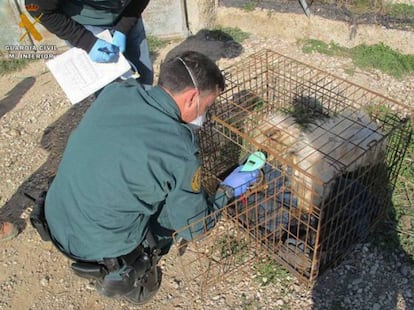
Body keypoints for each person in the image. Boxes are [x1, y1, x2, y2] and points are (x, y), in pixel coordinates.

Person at [37, 50, 259, 305]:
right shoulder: (180, 151)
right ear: (192, 98)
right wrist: (227, 191)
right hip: (94, 247)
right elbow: (195, 227)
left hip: (54, 216)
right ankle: (132, 281)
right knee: (174, 212)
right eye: (207, 106)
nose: (206, 115)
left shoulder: (116, 92)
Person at [25, 0, 154, 88]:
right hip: (85, 24)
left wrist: (124, 26)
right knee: (106, 85)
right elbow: (36, 8)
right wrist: (86, 41)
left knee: (143, 76)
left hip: (128, 11)